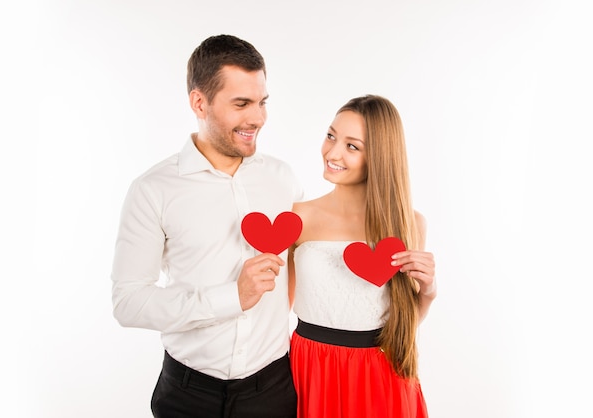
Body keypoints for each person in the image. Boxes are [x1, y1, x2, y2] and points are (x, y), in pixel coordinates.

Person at [111, 34, 303, 418]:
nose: (258, 118)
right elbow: (127, 303)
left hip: (274, 388)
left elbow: (307, 268)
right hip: (188, 394)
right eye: (242, 104)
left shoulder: (284, 180)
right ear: (199, 102)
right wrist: (233, 296)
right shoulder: (153, 190)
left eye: (262, 102)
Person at [288, 94, 436, 418]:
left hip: (380, 378)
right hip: (308, 370)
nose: (332, 152)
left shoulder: (410, 224)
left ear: (379, 157)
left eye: (352, 146)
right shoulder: (297, 217)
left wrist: (428, 291)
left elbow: (401, 325)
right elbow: (276, 311)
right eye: (331, 136)